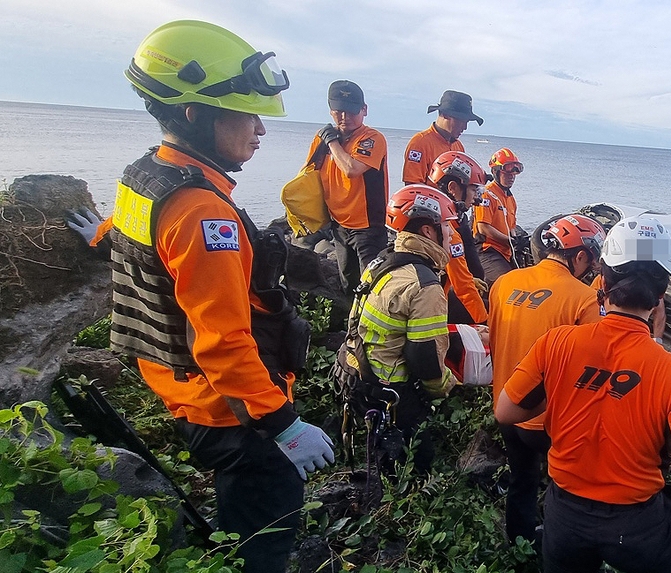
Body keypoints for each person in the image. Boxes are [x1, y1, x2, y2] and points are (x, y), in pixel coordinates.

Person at [112, 20, 333, 572]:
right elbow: (222, 340)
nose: (259, 129)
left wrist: (97, 232)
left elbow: (136, 244)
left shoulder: (146, 176)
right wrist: (282, 424)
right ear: (196, 114)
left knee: (239, 515)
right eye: (247, 113)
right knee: (265, 533)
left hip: (180, 392)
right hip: (233, 414)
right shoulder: (204, 211)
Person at [496, 215, 671, 573]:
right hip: (638, 526)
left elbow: (506, 411)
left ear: (602, 281)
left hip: (564, 516)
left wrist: (566, 390)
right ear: (661, 294)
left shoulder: (557, 343)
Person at [488, 214, 606, 546]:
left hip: (506, 407)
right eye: (591, 259)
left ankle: (519, 541)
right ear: (579, 256)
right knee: (565, 487)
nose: (592, 267)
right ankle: (557, 545)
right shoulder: (582, 298)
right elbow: (589, 370)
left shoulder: (504, 282)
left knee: (521, 479)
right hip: (551, 419)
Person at [333, 184, 460, 476]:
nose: (452, 235)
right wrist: (444, 386)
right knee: (417, 464)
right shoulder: (424, 284)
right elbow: (423, 355)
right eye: (447, 228)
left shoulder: (383, 260)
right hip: (391, 391)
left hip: (357, 374)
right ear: (429, 231)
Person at [307, 80, 389, 293]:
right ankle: (350, 325)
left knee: (372, 286)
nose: (345, 117)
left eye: (352, 111)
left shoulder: (372, 138)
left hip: (368, 227)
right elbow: (308, 177)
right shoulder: (321, 139)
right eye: (339, 111)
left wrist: (332, 142)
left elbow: (351, 169)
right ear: (330, 110)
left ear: (364, 110)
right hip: (338, 224)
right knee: (348, 285)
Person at [429, 151, 490, 324]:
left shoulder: (429, 223)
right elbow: (464, 288)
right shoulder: (447, 233)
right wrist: (486, 324)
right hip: (433, 314)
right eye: (473, 189)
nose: (476, 197)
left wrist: (469, 280)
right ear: (453, 188)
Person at [402, 90, 483, 186]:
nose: (465, 127)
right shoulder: (420, 143)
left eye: (467, 122)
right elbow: (412, 186)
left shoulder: (458, 146)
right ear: (445, 115)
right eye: (461, 121)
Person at [474, 148, 523, 283]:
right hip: (487, 250)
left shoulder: (510, 199)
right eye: (507, 173)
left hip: (505, 252)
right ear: (495, 172)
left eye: (514, 174)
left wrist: (515, 238)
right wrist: (508, 240)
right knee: (507, 283)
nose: (511, 177)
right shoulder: (487, 195)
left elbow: (511, 227)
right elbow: (483, 228)